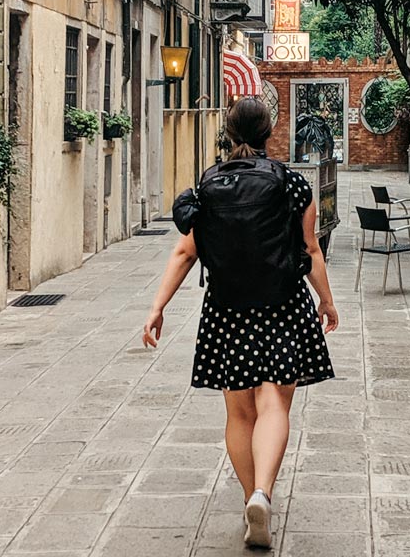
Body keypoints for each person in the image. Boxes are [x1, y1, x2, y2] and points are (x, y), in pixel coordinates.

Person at [143, 97, 339, 550]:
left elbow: (185, 253)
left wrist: (158, 307)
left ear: (228, 134)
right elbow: (310, 252)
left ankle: (252, 500)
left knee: (239, 412)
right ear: (270, 131)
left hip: (227, 309)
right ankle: (262, 495)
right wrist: (326, 302)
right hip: (283, 304)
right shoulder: (292, 185)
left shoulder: (208, 185)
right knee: (274, 404)